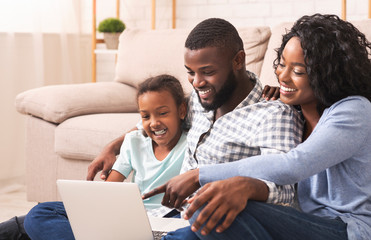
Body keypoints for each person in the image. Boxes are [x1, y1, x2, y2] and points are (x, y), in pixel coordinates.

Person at [145, 14, 371, 240]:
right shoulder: (294, 111)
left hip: (345, 229)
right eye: (282, 64)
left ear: (328, 74)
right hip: (295, 222)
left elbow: (293, 165)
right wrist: (118, 145)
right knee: (205, 215)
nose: (283, 76)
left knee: (207, 204)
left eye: (298, 71)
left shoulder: (353, 111)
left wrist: (202, 175)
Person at [21, 74, 188, 239]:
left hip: (170, 216)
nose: (154, 122)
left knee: (187, 231)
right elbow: (108, 191)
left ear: (181, 111)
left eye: (163, 113)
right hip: (131, 217)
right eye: (145, 116)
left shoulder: (191, 143)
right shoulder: (133, 142)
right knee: (40, 213)